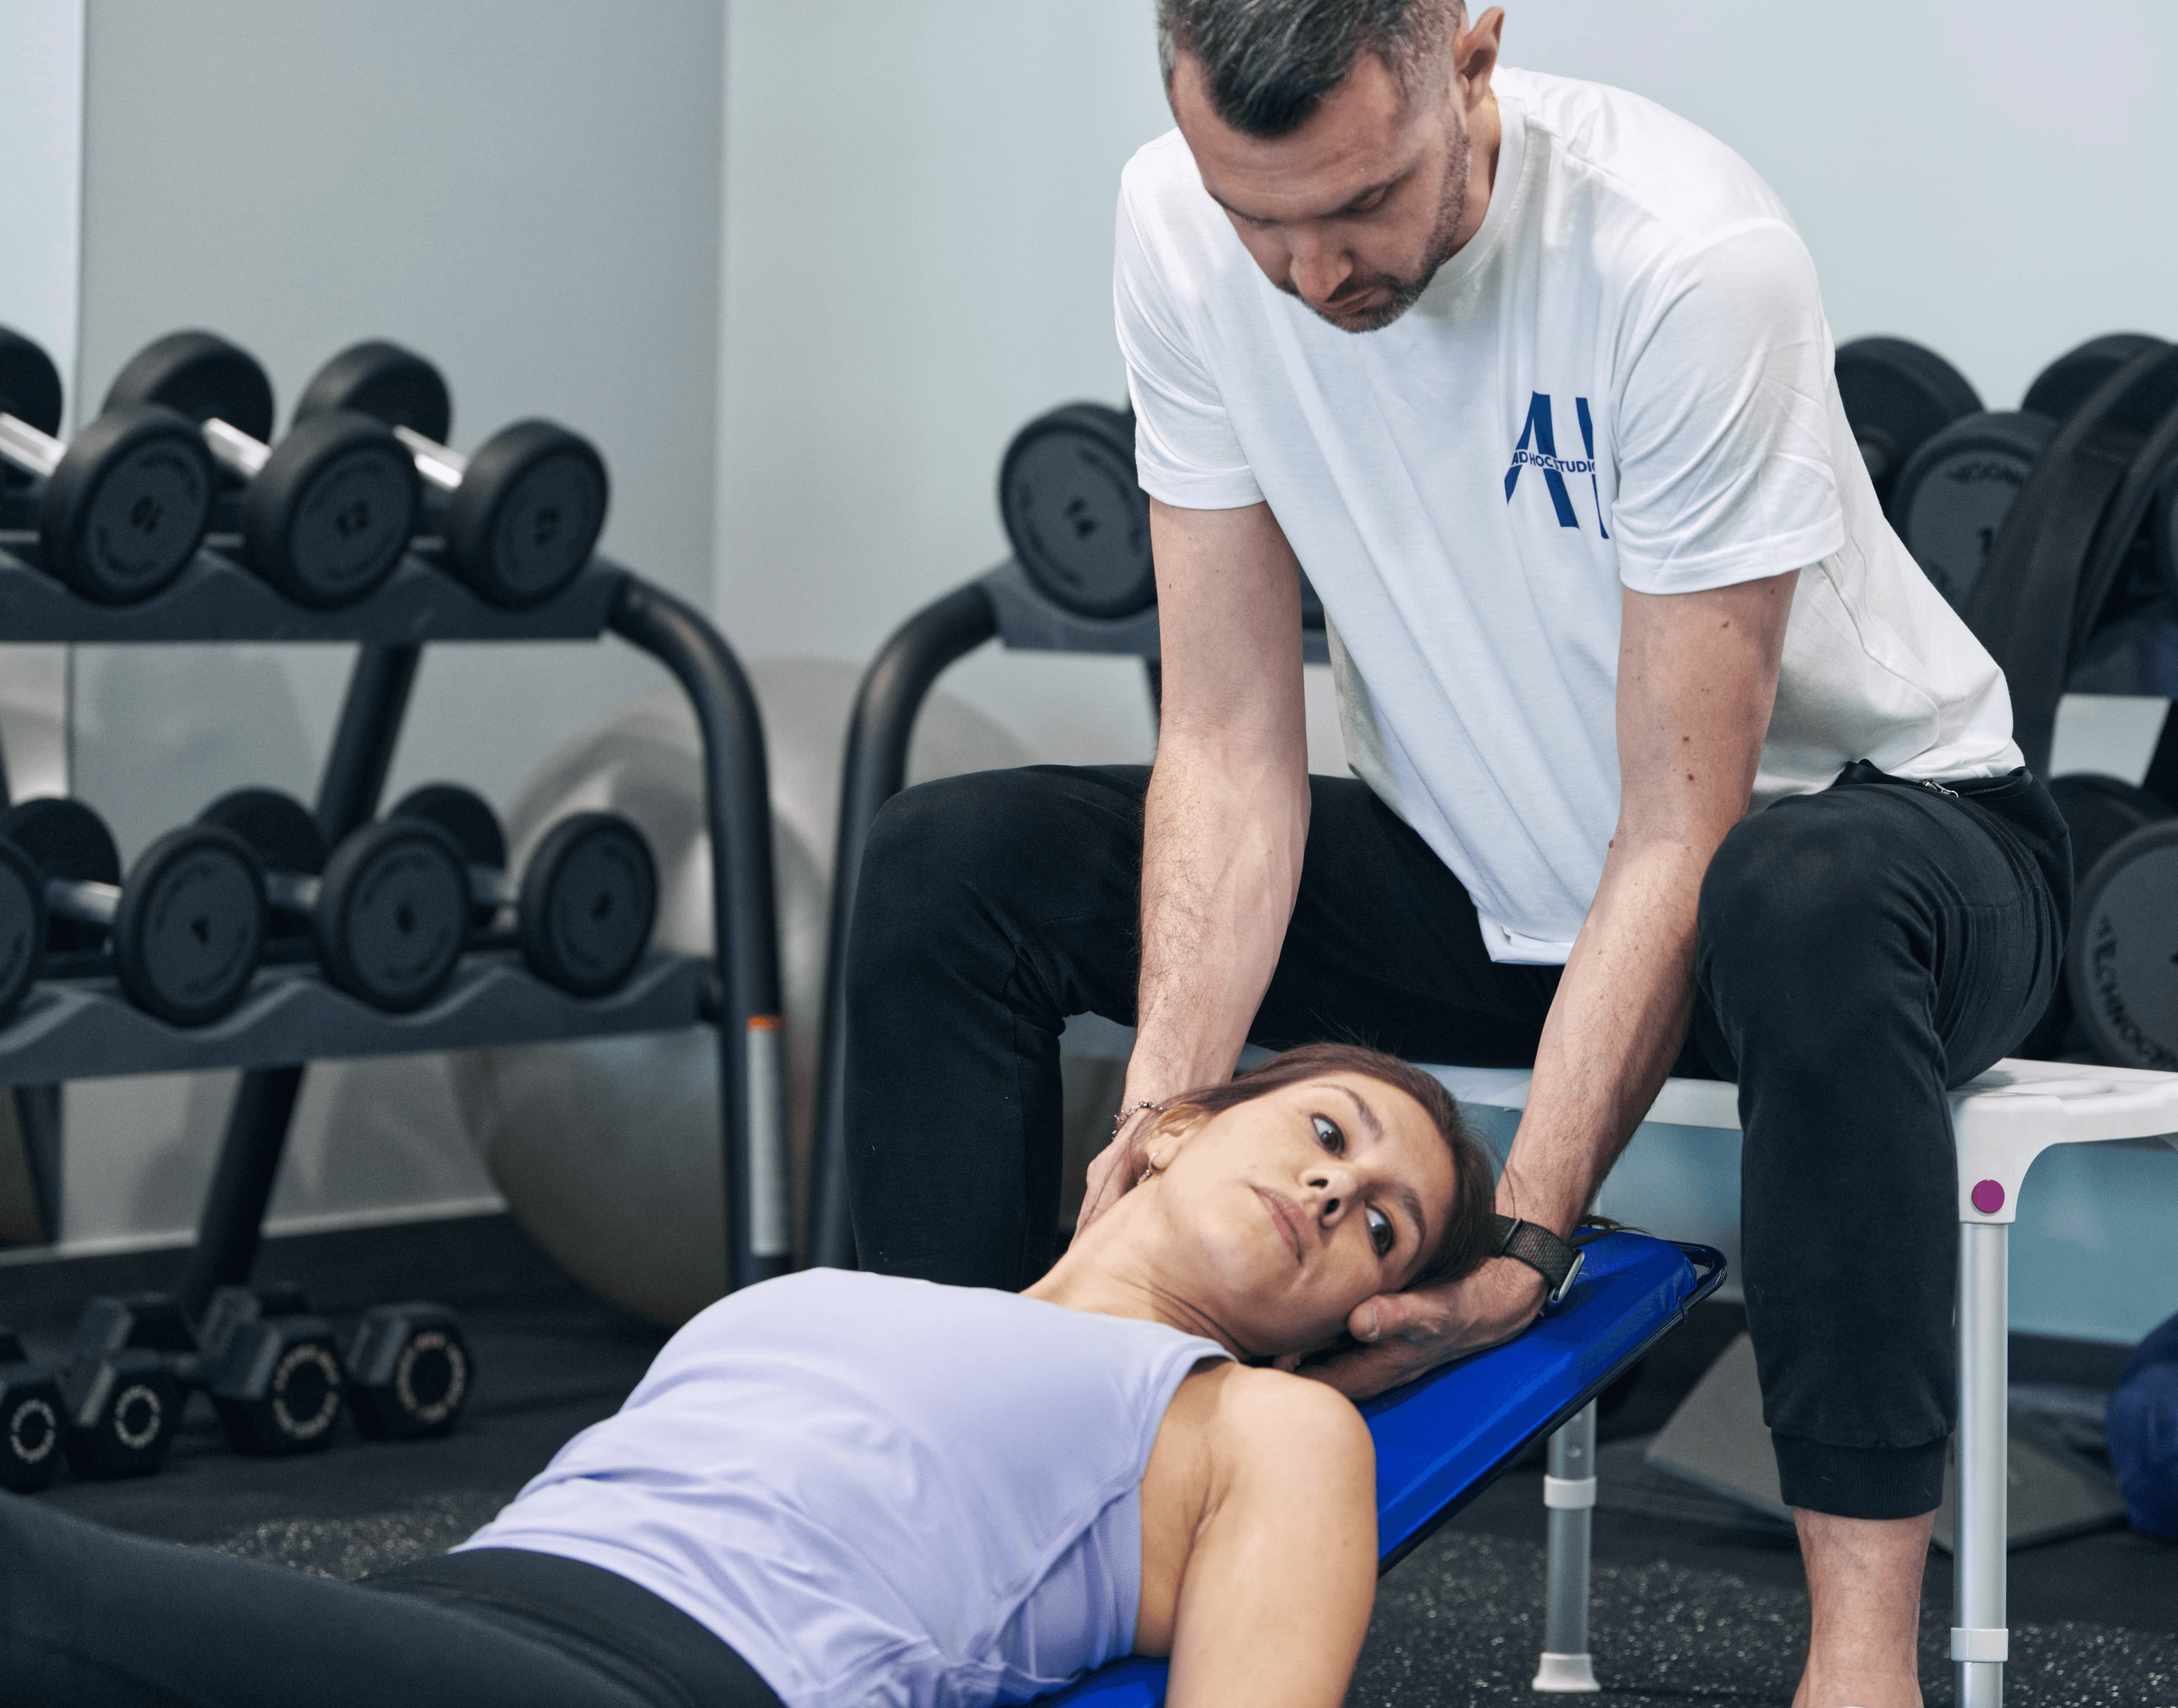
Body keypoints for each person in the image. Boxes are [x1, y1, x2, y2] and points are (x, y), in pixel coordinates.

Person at [840, 7, 2067, 1707]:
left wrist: (1529, 1232)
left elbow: (1679, 829)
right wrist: (1162, 1142)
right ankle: (945, 1494)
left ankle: (1860, 1665)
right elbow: (1230, 745)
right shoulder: (1180, 231)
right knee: (953, 858)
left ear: (1468, 56)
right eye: (1259, 217)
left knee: (1797, 897)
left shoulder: (1685, 261)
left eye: (1358, 207)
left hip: (1881, 855)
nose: (1305, 272)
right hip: (1483, 869)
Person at [0, 1043, 1497, 1708]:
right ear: (1176, 1125)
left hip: (675, 1686)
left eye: (1383, 1228)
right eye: (1327, 1132)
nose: (1342, 1193)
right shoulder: (822, 1291)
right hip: (446, 1611)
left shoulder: (1256, 1423)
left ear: (1355, 1313)